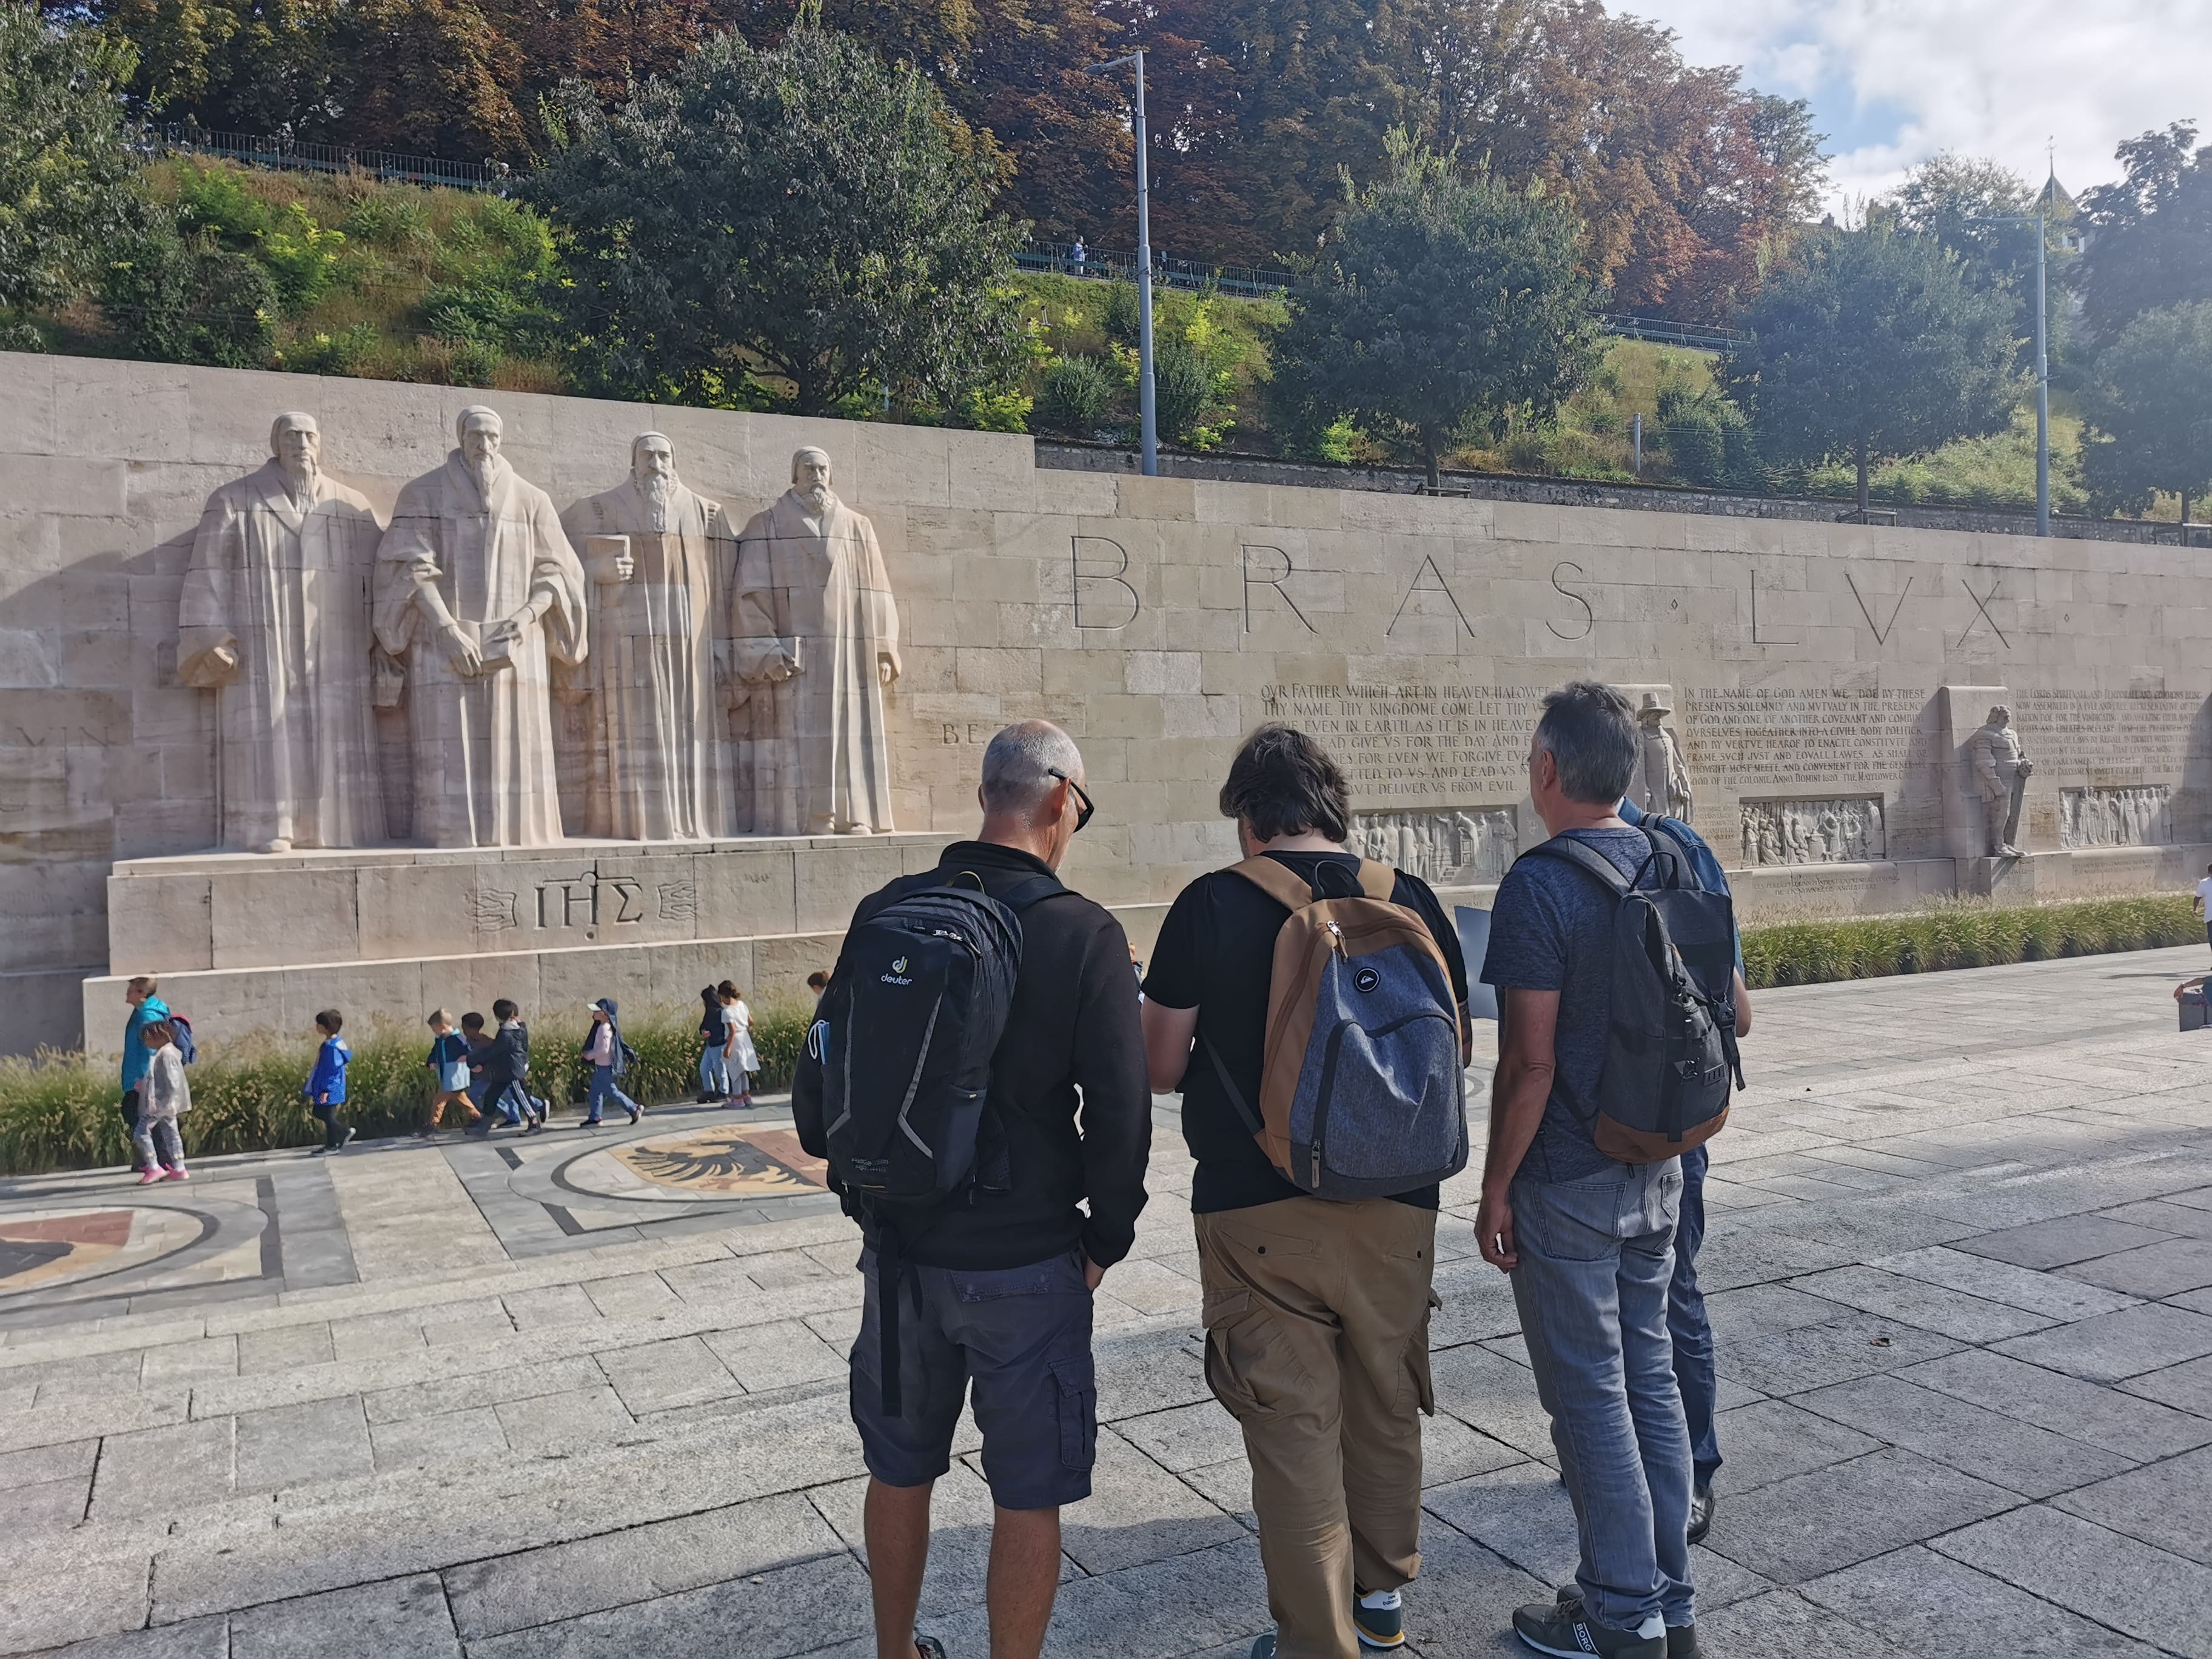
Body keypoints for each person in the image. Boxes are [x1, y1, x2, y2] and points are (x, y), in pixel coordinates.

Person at [794, 719, 1150, 1659]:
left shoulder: (888, 909)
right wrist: (1103, 1243)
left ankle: (896, 1652)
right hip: (1029, 1261)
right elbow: (1122, 1115)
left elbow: (819, 1082)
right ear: (1060, 803)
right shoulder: (1083, 933)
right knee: (1026, 1491)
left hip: (903, 1256)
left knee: (899, 1469)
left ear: (989, 794)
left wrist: (868, 1200)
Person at [1141, 723, 1472, 1659]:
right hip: (1401, 1204)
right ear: (1335, 806)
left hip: (1257, 1210)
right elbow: (1451, 1053)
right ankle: (1381, 1609)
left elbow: (1161, 1066)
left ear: (1248, 816)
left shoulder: (1210, 906)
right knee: (1385, 1401)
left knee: (1294, 1432)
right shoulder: (1409, 896)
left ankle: (1317, 1647)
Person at [1477, 682, 1734, 1659]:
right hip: (1662, 1159)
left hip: (1570, 1178)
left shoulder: (1539, 883)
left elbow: (1530, 1063)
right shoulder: (1675, 853)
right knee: (1652, 1381)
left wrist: (1497, 1185)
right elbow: (1731, 1006)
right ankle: (1675, 1605)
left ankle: (1623, 1614)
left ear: (1548, 769)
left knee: (1589, 1396)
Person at [1616, 793, 1752, 1551]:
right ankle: (1683, 1469)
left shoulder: (1569, 862)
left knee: (1637, 1298)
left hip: (1608, 1120)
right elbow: (1740, 1010)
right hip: (1679, 1116)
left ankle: (1677, 1469)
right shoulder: (1685, 848)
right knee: (1675, 1288)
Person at [119, 976, 179, 1175]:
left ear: (142, 994)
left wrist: (145, 1078)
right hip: (139, 1077)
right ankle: (154, 1161)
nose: (127, 994)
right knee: (140, 1116)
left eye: (131, 990)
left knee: (144, 1119)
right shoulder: (143, 1012)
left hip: (143, 1079)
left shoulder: (148, 1015)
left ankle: (161, 1163)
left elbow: (151, 1049)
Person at [132, 1019, 192, 1185]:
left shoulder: (165, 1055)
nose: (146, 1042)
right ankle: (179, 1168)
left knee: (141, 1132)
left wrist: (161, 1102)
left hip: (160, 1105)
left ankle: (153, 1166)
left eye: (147, 1038)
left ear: (157, 1036)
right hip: (166, 1105)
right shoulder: (166, 1053)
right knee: (171, 1134)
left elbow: (171, 1082)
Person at [579, 998, 643, 1127]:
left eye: (597, 1011)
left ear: (605, 1014)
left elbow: (604, 1050)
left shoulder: (605, 1029)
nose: (594, 1013)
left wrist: (589, 1055)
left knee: (612, 1092)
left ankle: (634, 1108)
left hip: (605, 1067)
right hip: (601, 1067)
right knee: (596, 1092)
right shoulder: (602, 1027)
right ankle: (595, 1117)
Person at [306, 1009, 355, 1155]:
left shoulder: (331, 1048)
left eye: (319, 1024)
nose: (316, 1027)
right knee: (322, 1113)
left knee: (326, 1114)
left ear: (326, 1026)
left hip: (329, 1088)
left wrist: (326, 1090)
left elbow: (331, 1070)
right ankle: (333, 1143)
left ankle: (339, 1138)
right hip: (328, 1087)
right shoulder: (334, 1043)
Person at [421, 1009, 472, 1137]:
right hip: (445, 1075)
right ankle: (477, 1116)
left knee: (439, 1100)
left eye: (435, 1029)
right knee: (461, 1099)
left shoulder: (457, 1039)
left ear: (442, 1027)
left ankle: (432, 1124)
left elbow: (469, 1051)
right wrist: (431, 1062)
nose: (434, 1032)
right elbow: (435, 1053)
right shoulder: (440, 1040)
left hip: (453, 1075)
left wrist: (467, 1058)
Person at [720, 982, 758, 1108]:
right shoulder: (742, 1005)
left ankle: (737, 1099)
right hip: (745, 1040)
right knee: (743, 1070)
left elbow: (732, 1031)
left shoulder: (727, 1012)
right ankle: (746, 1097)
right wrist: (747, 1030)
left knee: (735, 1071)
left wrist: (728, 1048)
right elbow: (751, 1021)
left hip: (735, 1042)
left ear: (724, 996)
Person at [698, 986, 731, 1102]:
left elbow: (726, 1030)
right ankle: (709, 1090)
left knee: (719, 1070)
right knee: (704, 1068)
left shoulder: (721, 1013)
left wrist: (712, 1033)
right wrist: (703, 1032)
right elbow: (703, 1026)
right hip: (710, 1046)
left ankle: (724, 1092)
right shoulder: (709, 1013)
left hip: (720, 1045)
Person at [2194, 863, 2212, 958]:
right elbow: (2197, 898)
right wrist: (2195, 909)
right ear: (2209, 872)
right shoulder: (2204, 883)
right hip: (2210, 917)